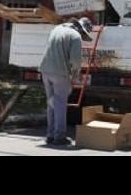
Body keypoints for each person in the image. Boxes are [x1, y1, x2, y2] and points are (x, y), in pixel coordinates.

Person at [39, 16, 93, 146]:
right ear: (82, 30)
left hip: (45, 70)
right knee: (60, 104)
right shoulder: (75, 36)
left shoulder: (56, 29)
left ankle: (50, 135)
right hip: (60, 73)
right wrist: (75, 75)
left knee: (51, 103)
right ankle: (59, 136)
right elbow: (75, 61)